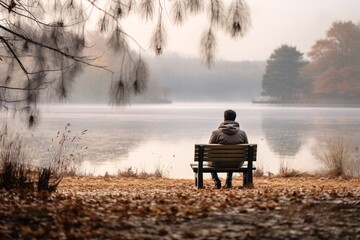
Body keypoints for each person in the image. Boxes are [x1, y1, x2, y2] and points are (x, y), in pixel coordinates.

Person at [209, 109, 249, 189]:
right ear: (235, 119)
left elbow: (209, 150)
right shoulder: (242, 133)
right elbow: (246, 150)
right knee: (233, 157)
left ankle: (216, 181)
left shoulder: (216, 133)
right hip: (236, 163)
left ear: (224, 118)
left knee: (211, 159)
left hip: (217, 164)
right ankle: (229, 180)